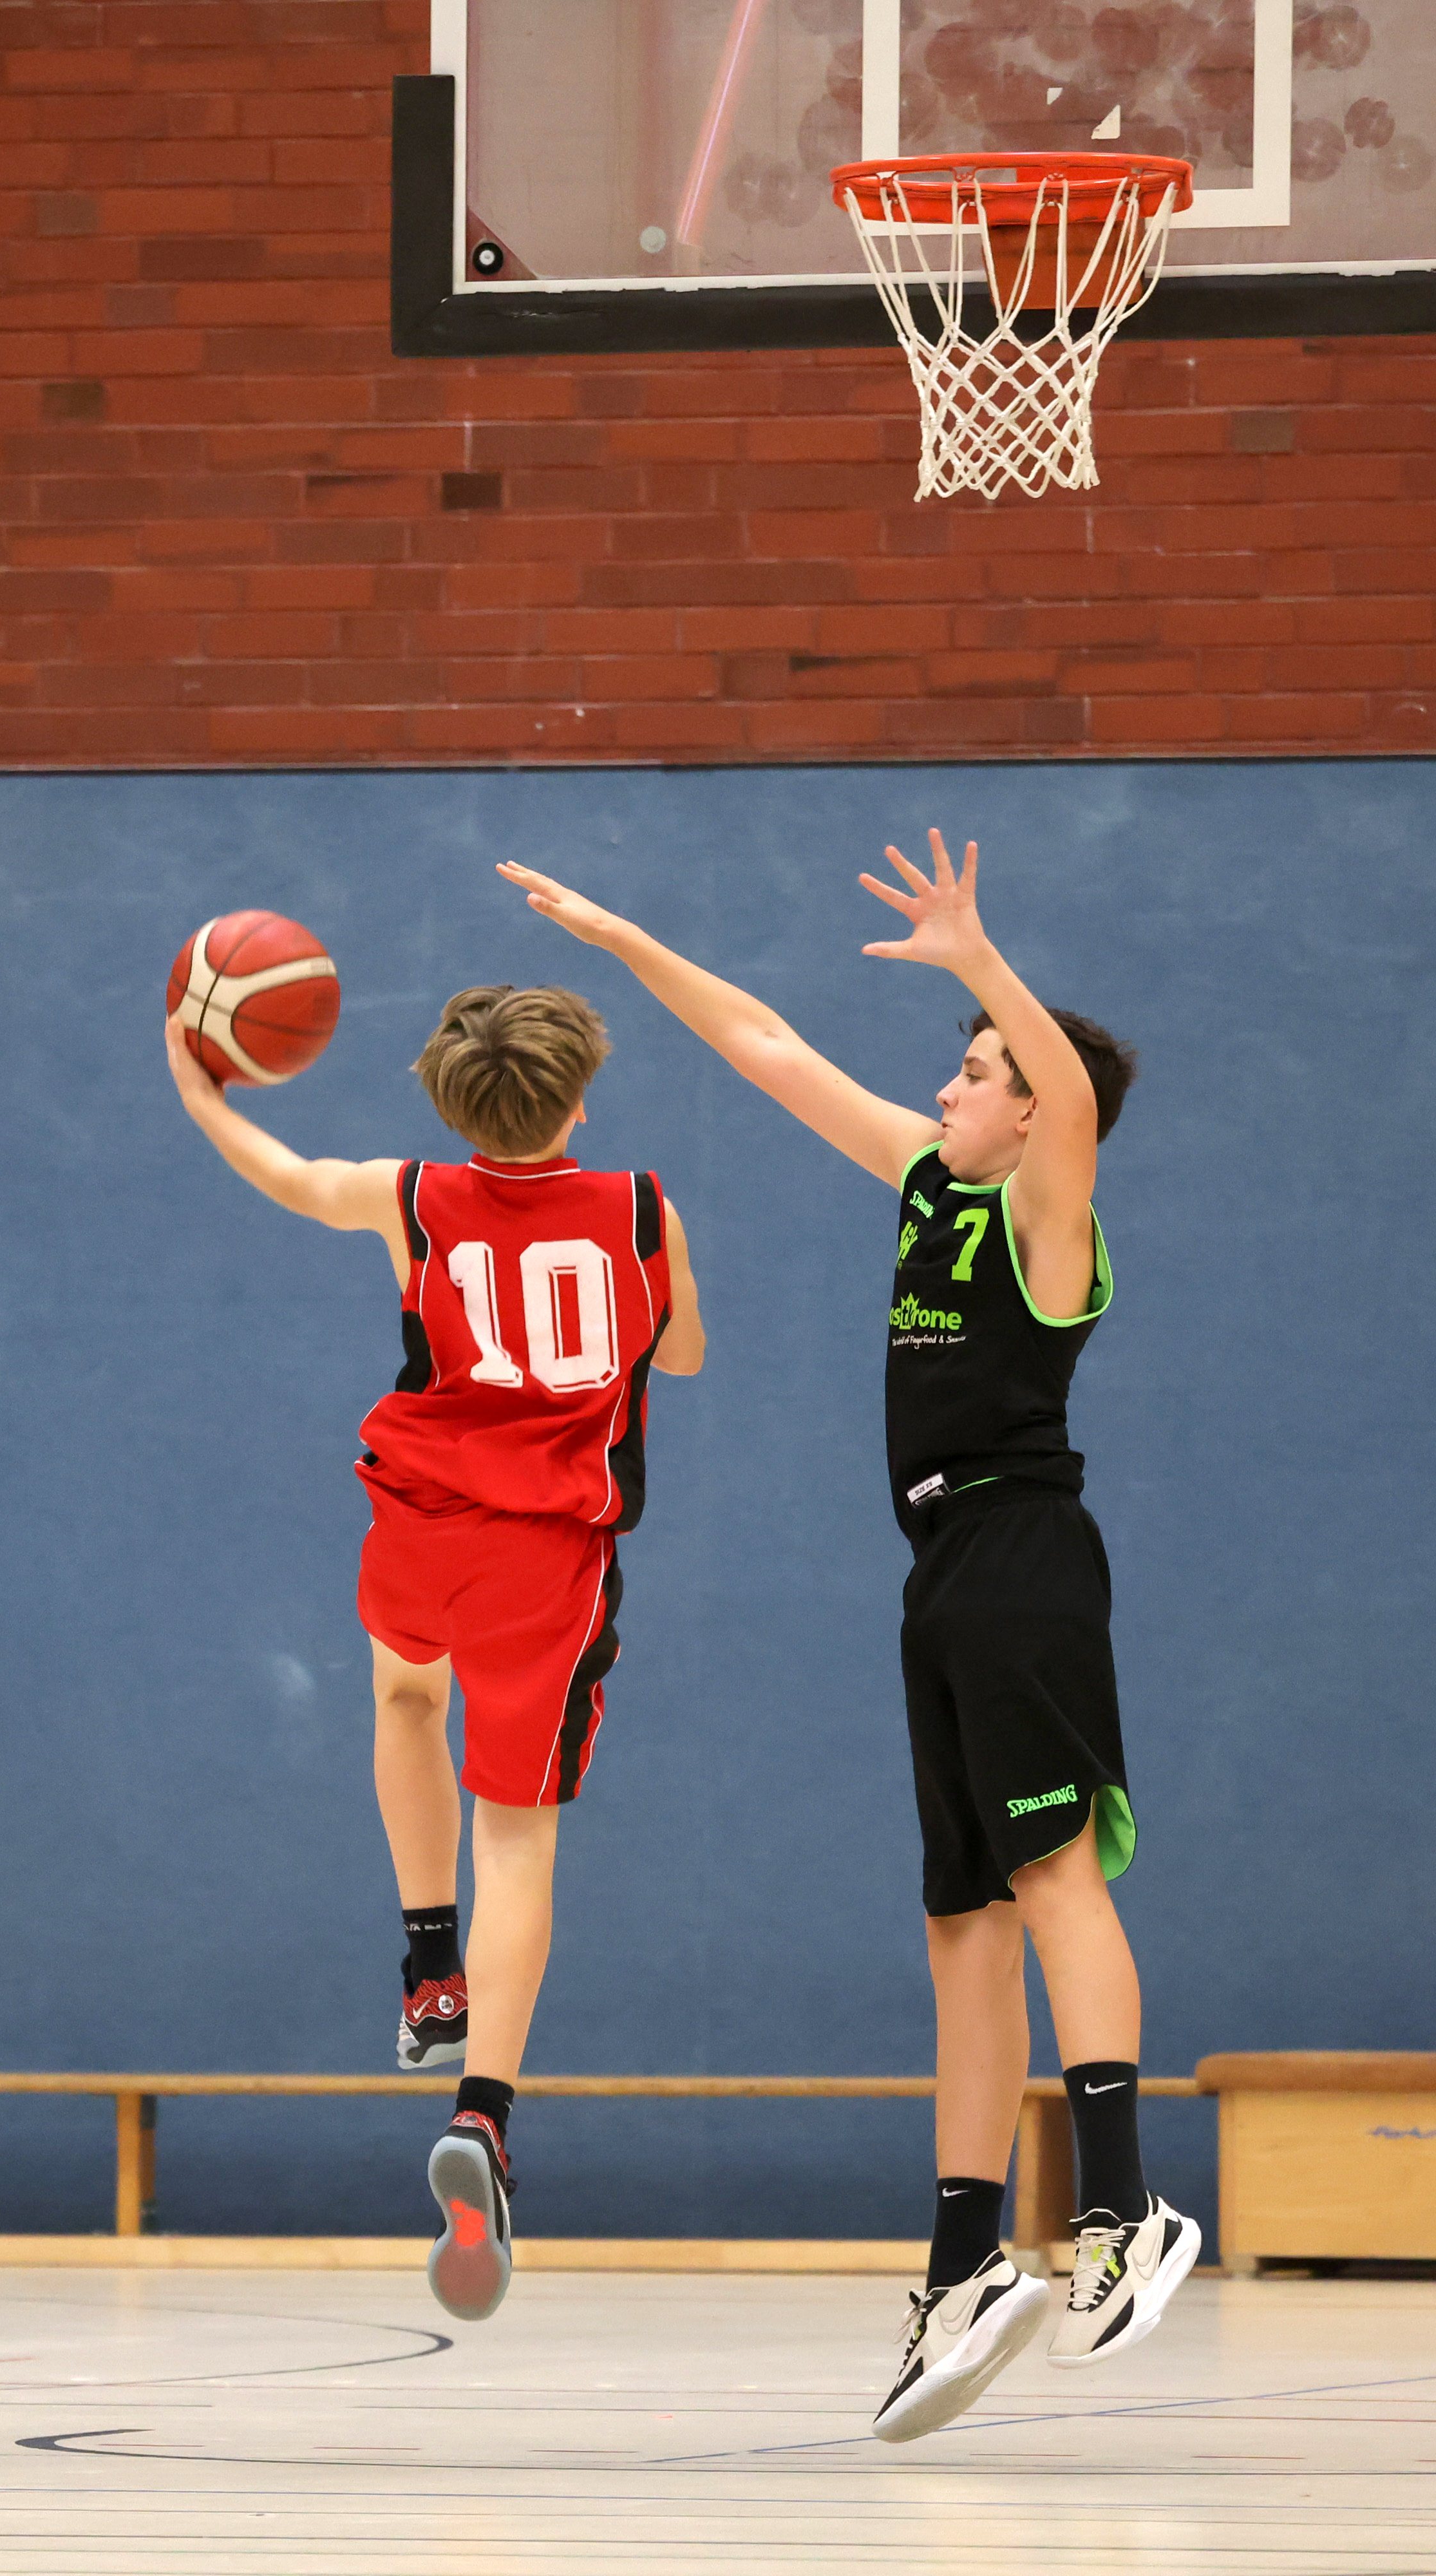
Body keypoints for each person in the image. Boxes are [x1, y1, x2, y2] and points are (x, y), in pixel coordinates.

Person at [497, 831, 1197, 2438]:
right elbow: (767, 1043)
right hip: (938, 1570)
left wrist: (982, 959)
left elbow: (1072, 1097)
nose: (950, 1086)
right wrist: (623, 937)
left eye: (979, 1072)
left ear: (1035, 1113)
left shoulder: (1050, 1222)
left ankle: (1121, 2208)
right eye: (961, 1066)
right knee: (963, 1923)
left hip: (1025, 1554)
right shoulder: (928, 1182)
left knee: (1052, 1873)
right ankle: (965, 2267)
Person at [167, 985, 704, 2322]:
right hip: (548, 1552)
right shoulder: (641, 1208)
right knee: (516, 1835)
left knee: (405, 1695)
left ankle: (427, 1968)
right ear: (579, 1099)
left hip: (418, 1517)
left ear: (451, 1103)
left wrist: (201, 1093)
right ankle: (485, 2115)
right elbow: (682, 1352)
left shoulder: (410, 1197)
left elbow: (292, 1177)